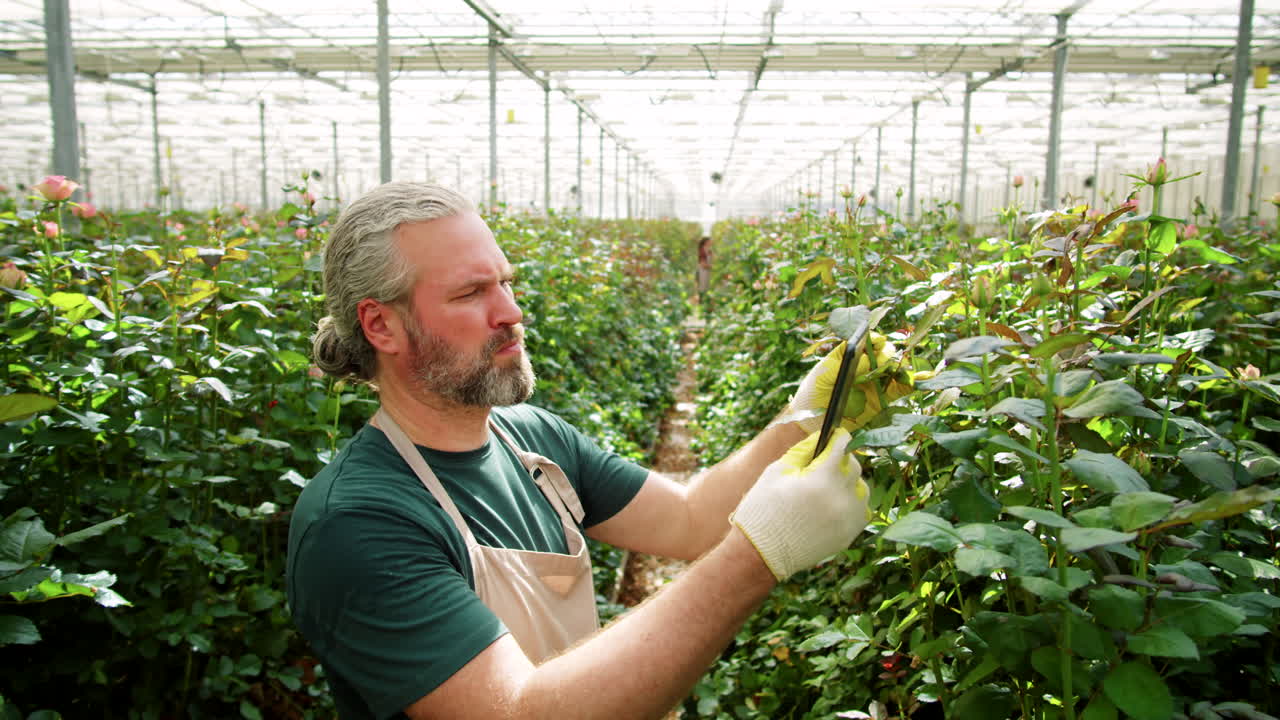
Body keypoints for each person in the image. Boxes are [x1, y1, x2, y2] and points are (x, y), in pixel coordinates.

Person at [287, 181, 881, 720]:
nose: (512, 314)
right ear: (381, 326)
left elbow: (690, 518)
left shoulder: (531, 438)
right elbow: (515, 713)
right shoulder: (358, 523)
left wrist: (801, 419)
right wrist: (757, 556)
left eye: (506, 283)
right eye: (471, 293)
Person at [696, 235, 712, 305]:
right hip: (703, 270)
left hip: (707, 270)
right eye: (709, 241)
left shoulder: (709, 250)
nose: (711, 242)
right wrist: (709, 266)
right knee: (702, 286)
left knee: (707, 286)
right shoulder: (702, 250)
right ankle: (701, 302)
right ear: (706, 242)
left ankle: (705, 302)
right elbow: (702, 263)